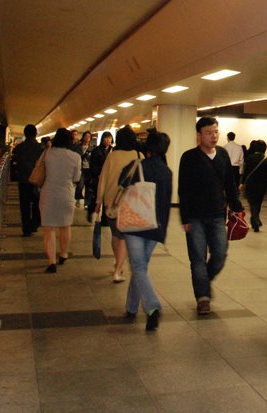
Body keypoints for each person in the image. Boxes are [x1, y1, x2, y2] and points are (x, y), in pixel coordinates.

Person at [178, 116, 244, 315]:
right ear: (199, 135)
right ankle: (202, 298)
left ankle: (203, 282)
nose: (213, 136)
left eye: (216, 132)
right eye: (208, 133)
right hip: (195, 217)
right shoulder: (189, 157)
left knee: (220, 254)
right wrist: (185, 218)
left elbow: (229, 184)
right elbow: (183, 189)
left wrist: (237, 206)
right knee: (197, 258)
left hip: (217, 215)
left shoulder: (223, 154)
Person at [120, 131, 173, 332]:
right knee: (140, 266)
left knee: (138, 266)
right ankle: (132, 307)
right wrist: (163, 231)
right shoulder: (167, 172)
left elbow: (121, 183)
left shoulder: (136, 166)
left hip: (134, 223)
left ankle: (152, 307)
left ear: (148, 147)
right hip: (155, 226)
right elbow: (167, 203)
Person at [94, 125, 141, 282]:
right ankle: (118, 270)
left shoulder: (112, 156)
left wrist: (99, 201)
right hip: (132, 202)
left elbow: (103, 179)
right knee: (123, 237)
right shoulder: (138, 155)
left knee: (116, 235)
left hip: (112, 202)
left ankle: (117, 263)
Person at [39, 128, 82, 273]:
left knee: (48, 228)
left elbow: (39, 168)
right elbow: (76, 178)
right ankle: (63, 254)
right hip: (66, 194)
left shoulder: (47, 153)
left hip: (48, 193)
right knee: (65, 226)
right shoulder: (75, 157)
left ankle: (51, 262)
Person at [11, 123, 43, 237]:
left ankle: (26, 228)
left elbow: (15, 161)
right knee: (37, 203)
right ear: (35, 134)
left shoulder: (19, 147)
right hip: (36, 180)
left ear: (25, 134)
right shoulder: (41, 148)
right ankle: (34, 224)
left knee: (24, 205)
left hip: (23, 179)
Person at [242, 140, 267, 232]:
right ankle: (256, 219)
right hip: (261, 185)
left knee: (252, 203)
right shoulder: (266, 160)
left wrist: (242, 183)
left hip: (251, 184)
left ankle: (255, 220)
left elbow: (245, 172)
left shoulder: (250, 158)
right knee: (258, 204)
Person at [85, 131, 113, 222]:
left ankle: (105, 219)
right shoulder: (96, 150)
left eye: (110, 138)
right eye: (106, 138)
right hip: (98, 177)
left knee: (107, 199)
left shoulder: (113, 150)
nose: (108, 140)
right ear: (102, 139)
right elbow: (93, 164)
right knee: (96, 197)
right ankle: (91, 212)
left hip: (109, 178)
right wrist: (98, 173)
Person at [73, 130, 94, 202]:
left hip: (89, 169)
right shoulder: (78, 147)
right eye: (86, 136)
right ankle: (78, 198)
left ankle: (86, 202)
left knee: (88, 186)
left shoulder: (92, 148)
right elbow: (75, 157)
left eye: (89, 136)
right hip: (80, 168)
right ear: (83, 137)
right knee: (80, 185)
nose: (87, 138)